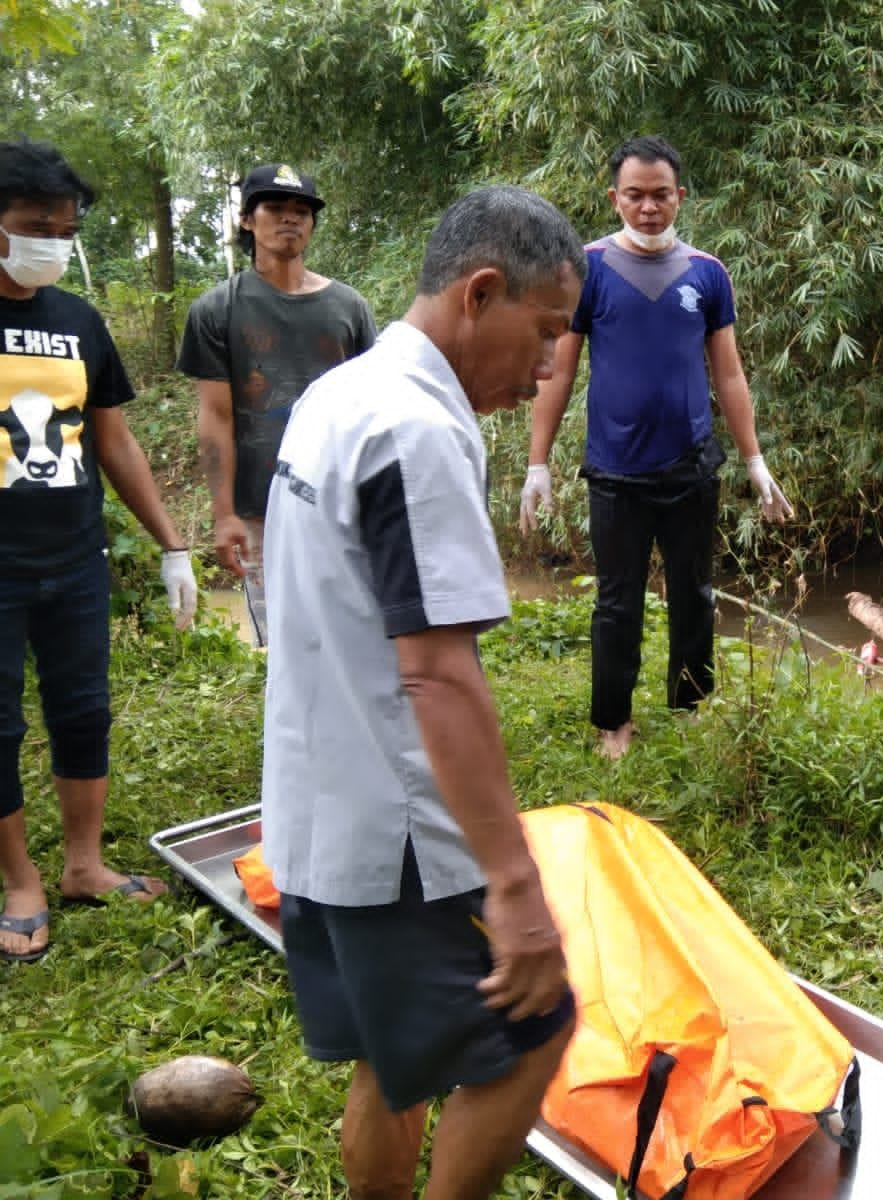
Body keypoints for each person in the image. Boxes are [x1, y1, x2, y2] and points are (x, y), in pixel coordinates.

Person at [261, 185, 583, 1200]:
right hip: (394, 835)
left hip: (315, 805)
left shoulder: (338, 395)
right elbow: (437, 671)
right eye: (544, 333)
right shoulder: (416, 430)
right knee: (537, 1028)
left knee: (391, 1062)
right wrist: (515, 885)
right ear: (481, 293)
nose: (546, 369)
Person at [519, 135, 795, 760]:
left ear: (680, 197)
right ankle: (613, 722)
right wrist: (538, 463)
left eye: (660, 195)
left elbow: (728, 374)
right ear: (615, 197)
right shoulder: (586, 269)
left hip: (693, 465)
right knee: (617, 602)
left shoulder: (708, 273)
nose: (648, 207)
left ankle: (691, 707)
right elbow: (557, 371)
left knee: (694, 593)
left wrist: (755, 461)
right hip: (615, 469)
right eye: (635, 195)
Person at [0, 140, 197, 964]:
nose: (53, 238)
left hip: (76, 559)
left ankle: (83, 864)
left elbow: (112, 441)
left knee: (83, 711)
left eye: (65, 226)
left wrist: (172, 544)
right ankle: (20, 881)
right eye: (35, 224)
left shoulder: (79, 321)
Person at [177, 163, 377, 646]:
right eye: (275, 208)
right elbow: (216, 417)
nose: (290, 219)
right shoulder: (216, 309)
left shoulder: (349, 308)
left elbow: (371, 410)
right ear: (247, 219)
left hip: (340, 497)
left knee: (355, 628)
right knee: (281, 638)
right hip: (258, 504)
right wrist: (223, 514)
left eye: (301, 210)